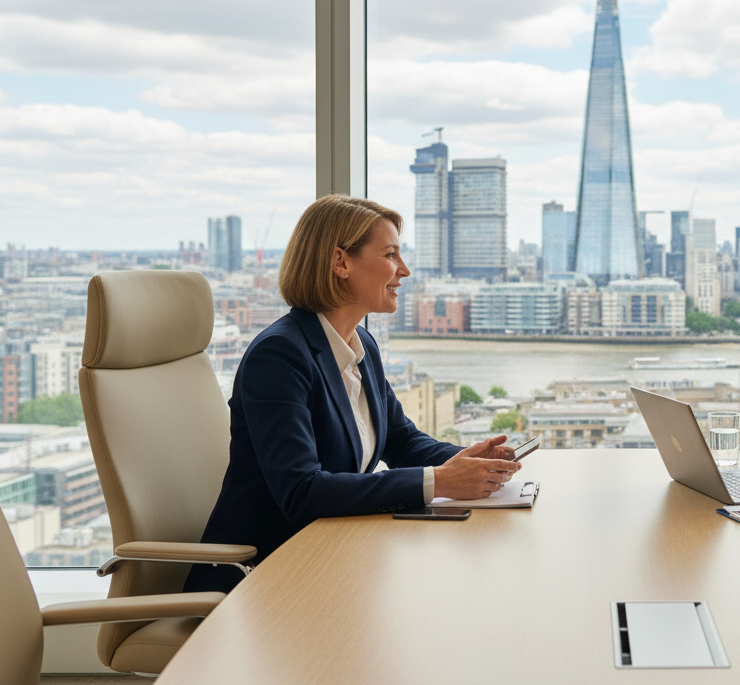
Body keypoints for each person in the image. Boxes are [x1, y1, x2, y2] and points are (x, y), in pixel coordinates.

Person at [185, 195, 520, 594]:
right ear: (340, 262)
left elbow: (401, 440)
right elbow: (302, 492)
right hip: (260, 581)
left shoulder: (361, 344)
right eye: (391, 254)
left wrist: (474, 461)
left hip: (332, 559)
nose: (404, 270)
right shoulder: (278, 356)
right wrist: (440, 481)